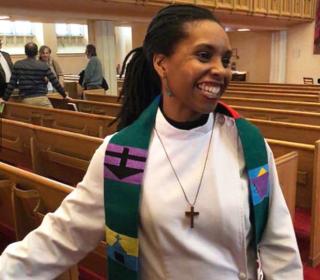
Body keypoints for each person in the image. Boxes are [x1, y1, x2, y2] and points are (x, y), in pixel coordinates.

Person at [0, 4, 302, 280]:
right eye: (203, 55)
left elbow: (278, 246)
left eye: (225, 59)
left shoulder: (249, 146)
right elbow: (63, 236)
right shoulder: (122, 154)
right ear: (161, 63)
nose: (221, 70)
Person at [1, 42, 67, 107]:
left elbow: (11, 84)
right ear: (37, 52)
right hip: (42, 99)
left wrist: (4, 99)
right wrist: (65, 95)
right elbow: (55, 82)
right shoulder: (43, 65)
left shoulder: (18, 64)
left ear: (25, 52)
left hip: (26, 100)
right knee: (51, 117)